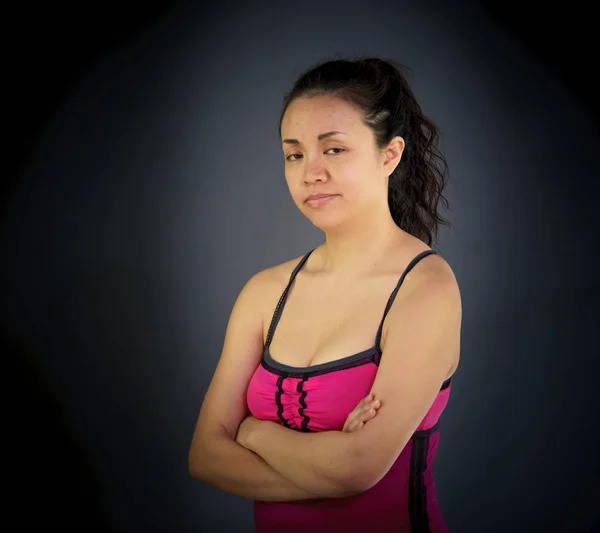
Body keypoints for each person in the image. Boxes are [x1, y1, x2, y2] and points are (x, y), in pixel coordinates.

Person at [188, 55, 462, 533]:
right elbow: (206, 455)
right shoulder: (263, 292)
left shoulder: (426, 288)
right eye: (294, 154)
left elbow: (357, 467)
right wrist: (330, 472)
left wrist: (254, 433)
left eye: (333, 150)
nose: (310, 172)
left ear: (389, 155)